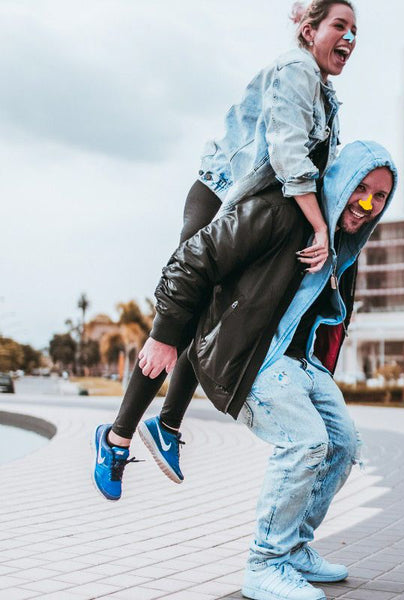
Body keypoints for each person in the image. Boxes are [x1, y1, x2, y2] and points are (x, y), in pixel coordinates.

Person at [95, 140, 397, 600]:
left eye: (380, 197)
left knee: (343, 445)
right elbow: (194, 258)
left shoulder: (345, 246)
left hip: (296, 360)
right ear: (340, 180)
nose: (368, 204)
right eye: (363, 189)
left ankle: (294, 550)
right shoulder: (281, 212)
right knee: (305, 442)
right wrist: (164, 332)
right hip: (246, 355)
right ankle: (265, 564)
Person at [92, 0, 358, 493]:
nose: (349, 38)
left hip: (247, 207)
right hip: (221, 193)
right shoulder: (296, 70)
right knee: (177, 318)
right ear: (308, 29)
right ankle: (117, 436)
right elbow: (287, 155)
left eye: (354, 31)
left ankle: (164, 426)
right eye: (339, 26)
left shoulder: (324, 91)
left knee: (208, 313)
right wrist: (320, 229)